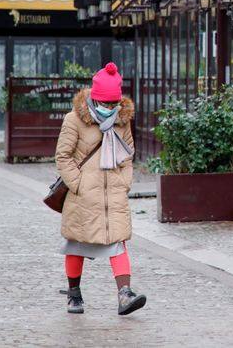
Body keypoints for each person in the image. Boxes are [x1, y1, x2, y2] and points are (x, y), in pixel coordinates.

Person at [54, 62, 146, 315]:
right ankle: (74, 295)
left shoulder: (121, 120)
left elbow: (127, 154)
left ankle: (125, 295)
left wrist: (124, 182)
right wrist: (78, 184)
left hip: (113, 193)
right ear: (95, 98)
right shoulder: (74, 120)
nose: (109, 109)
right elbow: (63, 156)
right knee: (76, 243)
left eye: (113, 104)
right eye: (105, 104)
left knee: (118, 242)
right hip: (84, 194)